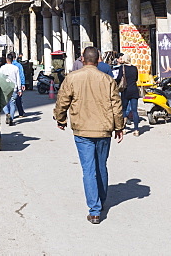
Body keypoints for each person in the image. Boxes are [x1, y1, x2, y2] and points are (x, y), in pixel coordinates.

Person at [53, 47, 124, 224]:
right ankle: (101, 200)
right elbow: (117, 105)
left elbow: (62, 101)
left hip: (82, 130)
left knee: (88, 169)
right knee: (101, 165)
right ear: (98, 60)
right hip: (104, 129)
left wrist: (60, 119)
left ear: (83, 60)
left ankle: (94, 210)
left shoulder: (72, 78)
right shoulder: (107, 79)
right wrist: (119, 127)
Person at [113, 53, 142, 136]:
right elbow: (136, 78)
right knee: (134, 111)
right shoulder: (134, 68)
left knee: (124, 109)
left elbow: (118, 78)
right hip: (134, 90)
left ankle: (124, 128)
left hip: (125, 90)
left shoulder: (122, 68)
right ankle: (136, 129)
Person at [0, 54, 22, 125]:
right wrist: (20, 89)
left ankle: (7, 113)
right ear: (13, 59)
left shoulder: (2, 68)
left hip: (4, 88)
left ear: (6, 59)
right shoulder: (15, 68)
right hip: (13, 88)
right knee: (12, 103)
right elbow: (18, 79)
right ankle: (11, 118)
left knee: (4, 103)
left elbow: (0, 78)